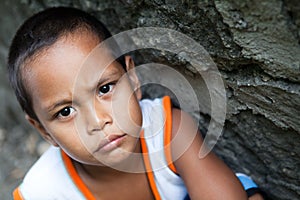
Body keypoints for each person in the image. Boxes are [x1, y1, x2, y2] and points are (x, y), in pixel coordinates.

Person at [8, 7, 265, 200]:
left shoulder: (168, 132)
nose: (97, 121)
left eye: (105, 89)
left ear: (132, 79)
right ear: (44, 130)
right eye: (66, 111)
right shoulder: (43, 191)